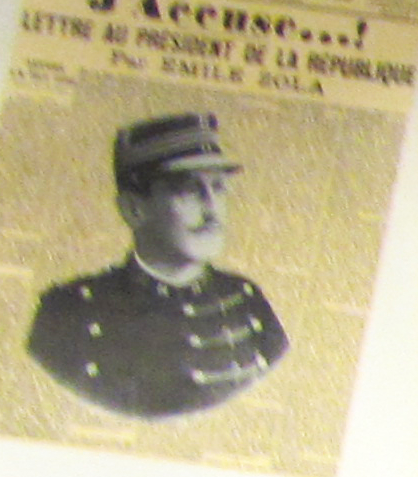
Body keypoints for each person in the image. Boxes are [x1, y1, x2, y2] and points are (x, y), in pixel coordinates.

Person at [25, 111, 291, 420]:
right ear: (134, 209)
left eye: (218, 187)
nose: (211, 208)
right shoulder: (68, 310)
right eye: (189, 189)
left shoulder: (246, 300)